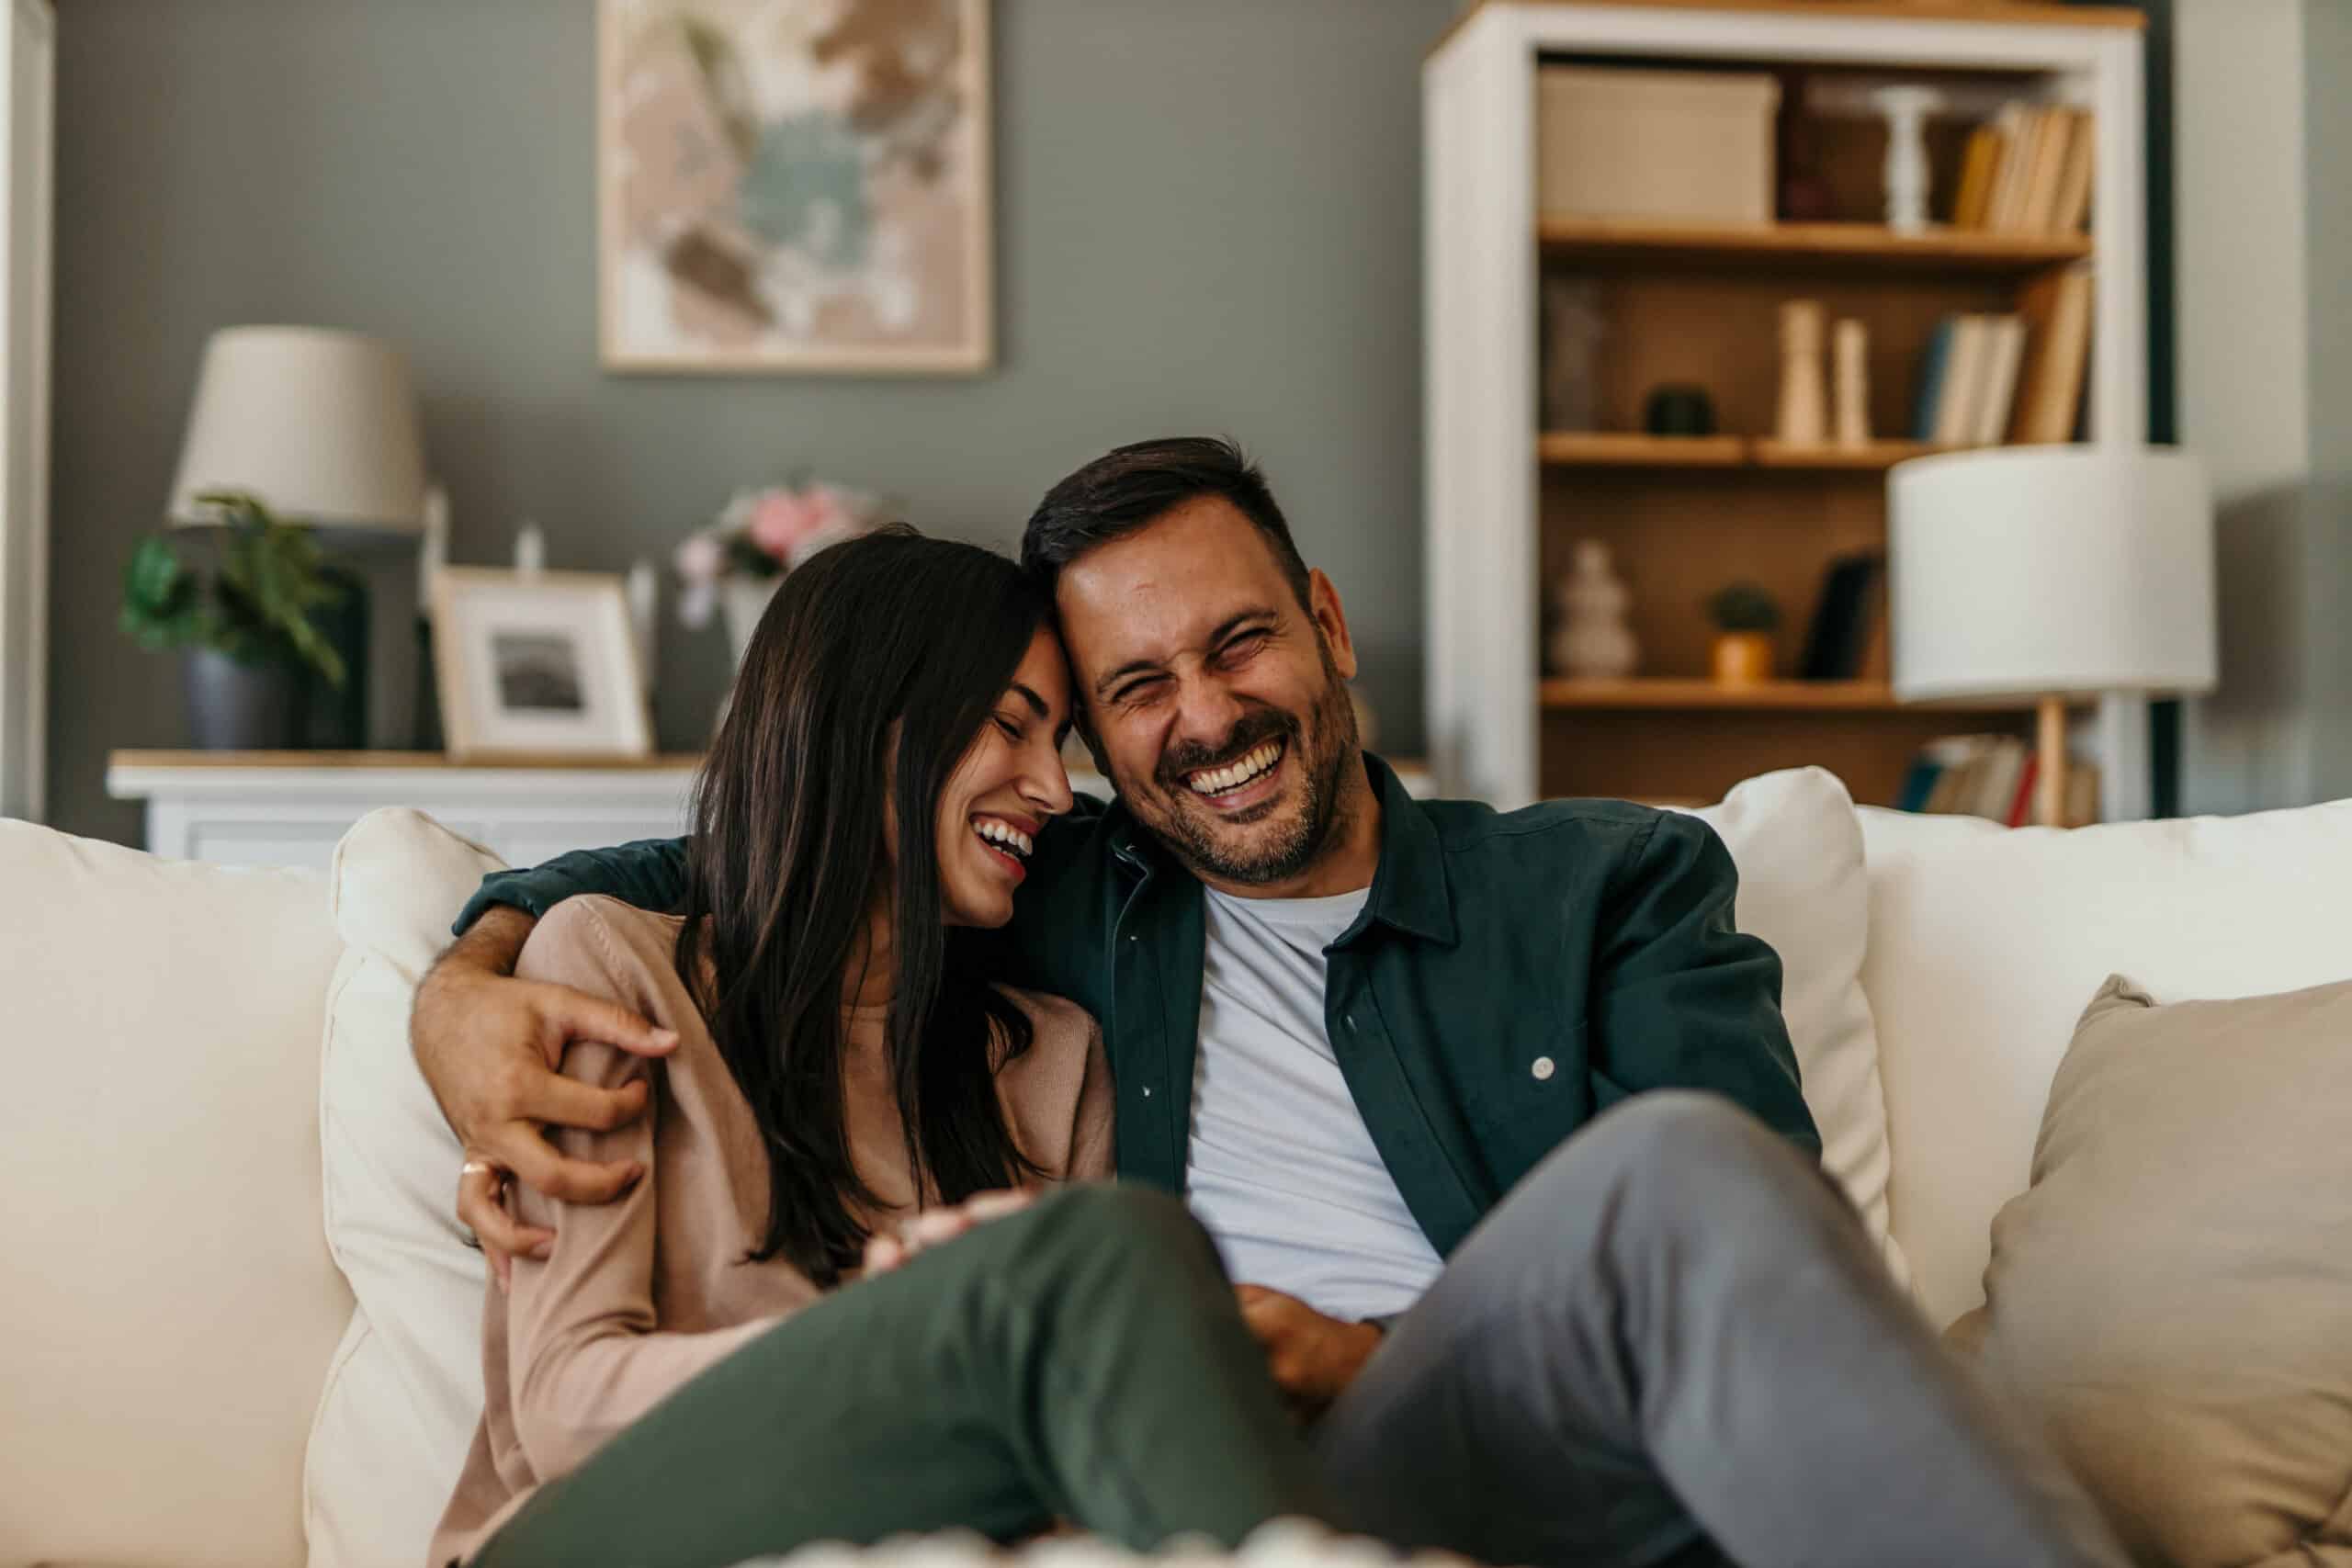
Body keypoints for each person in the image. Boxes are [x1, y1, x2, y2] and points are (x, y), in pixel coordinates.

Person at [413, 440, 2126, 1568]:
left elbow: (1764, 1274)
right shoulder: (1057, 897)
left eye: (1238, 645)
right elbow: (761, 856)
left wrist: (1365, 1349)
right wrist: (468, 974)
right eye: (1129, 691)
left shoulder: (1604, 883)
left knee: (1679, 1175)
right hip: (1185, 1444)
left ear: (1325, 624)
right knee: (1115, 1269)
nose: (1202, 717)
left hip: (1475, 1422)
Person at [426, 528, 1332, 1568]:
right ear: (865, 728)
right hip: (588, 1533)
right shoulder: (614, 969)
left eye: (1061, 744)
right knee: (1115, 1248)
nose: (1050, 788)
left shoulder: (1052, 1061)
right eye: (1008, 727)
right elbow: (561, 1407)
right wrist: (916, 1336)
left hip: (903, 1537)